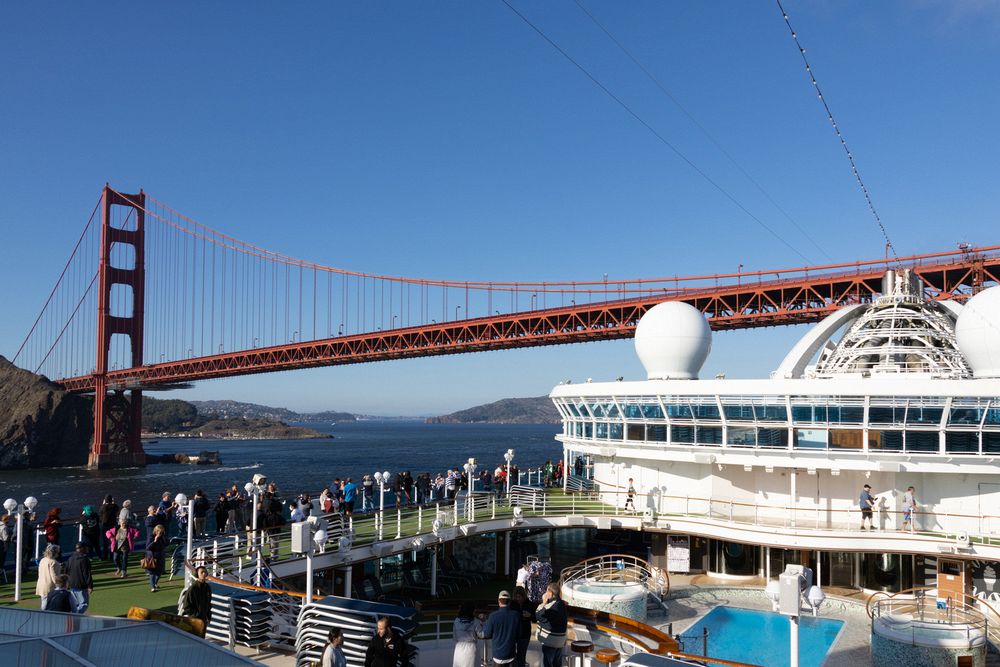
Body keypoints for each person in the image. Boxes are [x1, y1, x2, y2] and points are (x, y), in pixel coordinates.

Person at [480, 590, 520, 665]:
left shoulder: (493, 616)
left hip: (497, 656)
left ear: (499, 601)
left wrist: (485, 623)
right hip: (511, 654)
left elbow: (487, 634)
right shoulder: (516, 615)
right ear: (510, 602)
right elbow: (519, 634)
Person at [535, 583, 568, 667]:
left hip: (551, 641)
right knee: (557, 663)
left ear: (551, 593)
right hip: (559, 641)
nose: (545, 592)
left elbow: (538, 615)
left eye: (547, 591)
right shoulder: (560, 604)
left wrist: (544, 603)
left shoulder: (551, 608)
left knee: (548, 664)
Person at [65, 541, 94, 613]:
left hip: (71, 585)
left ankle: (74, 617)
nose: (87, 549)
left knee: (75, 604)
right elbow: (87, 573)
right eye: (86, 547)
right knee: (84, 604)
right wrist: (90, 586)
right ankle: (75, 616)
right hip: (81, 586)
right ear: (82, 548)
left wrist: (66, 583)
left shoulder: (70, 558)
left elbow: (66, 571)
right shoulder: (84, 559)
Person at [452, 602, 482, 667]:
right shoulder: (475, 621)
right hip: (471, 649)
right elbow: (481, 635)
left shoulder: (456, 621)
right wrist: (482, 621)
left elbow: (454, 638)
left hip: (459, 649)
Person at [511, 588, 535, 667]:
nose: (518, 599)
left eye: (520, 597)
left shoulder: (529, 604)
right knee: (512, 655)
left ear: (523, 596)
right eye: (516, 597)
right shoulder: (512, 604)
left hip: (525, 634)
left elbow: (535, 619)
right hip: (513, 634)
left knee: (522, 655)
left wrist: (530, 615)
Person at [145, 524, 167, 592]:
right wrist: (154, 541)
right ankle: (152, 587)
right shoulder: (151, 537)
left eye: (161, 532)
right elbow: (148, 548)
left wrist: (164, 540)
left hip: (160, 556)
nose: (160, 533)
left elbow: (165, 544)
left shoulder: (163, 537)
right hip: (152, 557)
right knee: (152, 573)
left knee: (159, 572)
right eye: (159, 532)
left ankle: (155, 583)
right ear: (156, 531)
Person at [98, 495, 118, 560]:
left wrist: (103, 504)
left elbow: (100, 514)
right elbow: (117, 509)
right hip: (113, 526)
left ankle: (105, 556)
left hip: (105, 526)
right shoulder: (114, 506)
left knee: (105, 542)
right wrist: (113, 502)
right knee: (113, 541)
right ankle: (112, 556)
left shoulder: (103, 507)